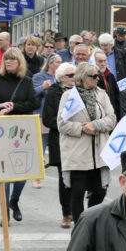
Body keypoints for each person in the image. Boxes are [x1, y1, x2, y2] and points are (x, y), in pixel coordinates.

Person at [57, 62, 117, 223]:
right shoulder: (69, 96)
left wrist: (95, 125)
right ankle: (79, 227)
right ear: (83, 78)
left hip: (99, 153)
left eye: (98, 75)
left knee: (99, 192)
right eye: (94, 76)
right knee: (78, 192)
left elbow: (112, 119)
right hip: (77, 153)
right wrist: (83, 128)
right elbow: (62, 124)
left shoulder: (101, 94)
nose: (98, 78)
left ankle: (89, 221)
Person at [0, 48, 39, 222]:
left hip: (22, 131)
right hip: (2, 129)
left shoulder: (27, 81)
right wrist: (1, 105)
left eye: (12, 59)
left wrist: (14, 107)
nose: (8, 62)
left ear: (19, 62)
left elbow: (33, 102)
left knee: (22, 172)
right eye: (6, 59)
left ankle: (14, 201)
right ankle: (5, 211)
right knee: (6, 172)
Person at [43, 62, 76, 229]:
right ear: (61, 77)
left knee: (79, 179)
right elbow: (47, 119)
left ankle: (78, 212)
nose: (74, 78)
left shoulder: (80, 91)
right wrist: (66, 125)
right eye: (71, 75)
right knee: (65, 180)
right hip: (61, 141)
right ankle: (66, 214)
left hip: (79, 140)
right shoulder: (53, 92)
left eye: (76, 75)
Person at [94, 50, 122, 120]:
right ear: (94, 62)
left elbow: (117, 97)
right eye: (100, 61)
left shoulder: (110, 76)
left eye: (104, 61)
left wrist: (118, 116)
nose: (103, 64)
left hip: (111, 115)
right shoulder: (91, 78)